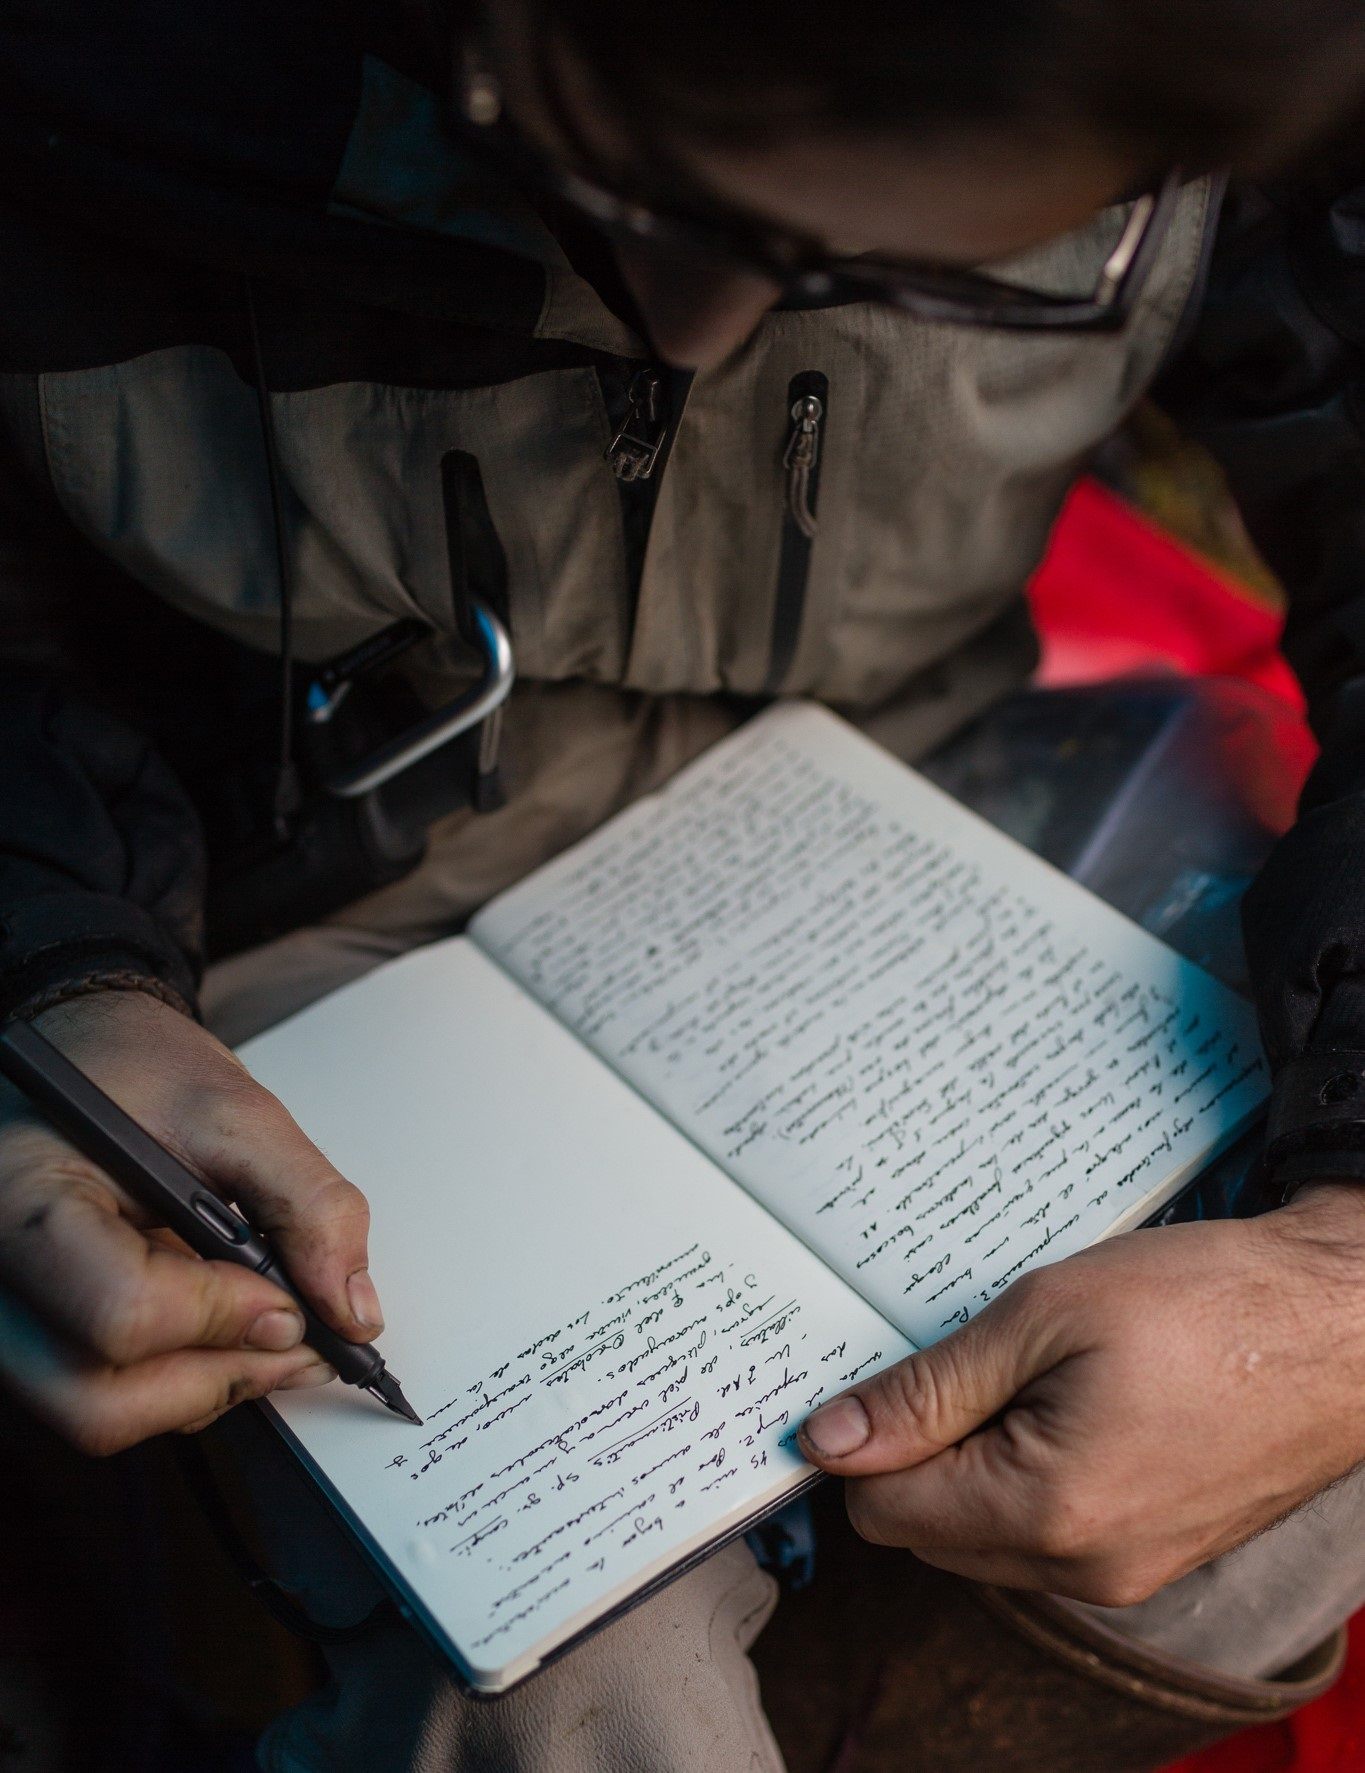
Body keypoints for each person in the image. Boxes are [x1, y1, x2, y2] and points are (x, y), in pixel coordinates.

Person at [4, 1, 1365, 1766]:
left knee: (1286, 1506)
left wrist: (1344, 1263)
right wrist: (50, 967)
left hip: (912, 795)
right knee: (566, 1682)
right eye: (597, 175)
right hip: (233, 926)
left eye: (913, 266)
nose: (692, 328)